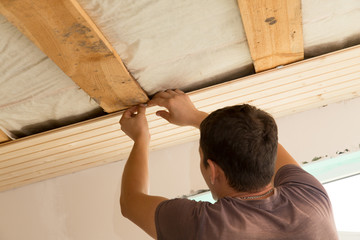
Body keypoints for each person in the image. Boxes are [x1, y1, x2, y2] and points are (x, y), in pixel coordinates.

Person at [119, 89, 338, 240]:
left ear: (213, 170)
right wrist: (197, 118)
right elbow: (262, 141)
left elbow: (131, 202)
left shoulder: (204, 226)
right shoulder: (311, 199)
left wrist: (140, 138)